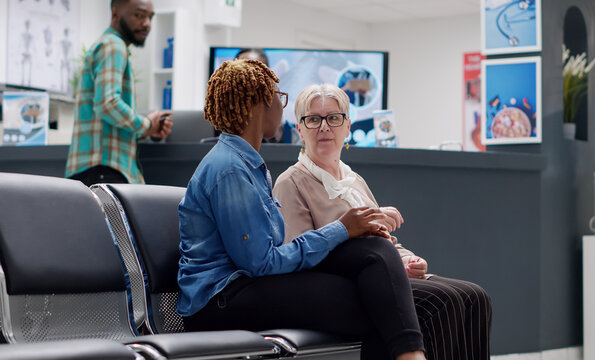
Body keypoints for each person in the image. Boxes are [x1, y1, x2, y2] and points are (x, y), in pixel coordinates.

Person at [176, 59, 427, 360]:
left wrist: (346, 230)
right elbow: (261, 263)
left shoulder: (245, 163)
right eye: (279, 98)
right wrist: (341, 229)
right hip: (220, 301)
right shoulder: (230, 169)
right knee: (369, 302)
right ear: (258, 105)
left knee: (375, 290)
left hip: (243, 287)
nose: (283, 107)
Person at [273, 83, 493, 360]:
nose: (324, 127)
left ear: (347, 127)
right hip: (351, 285)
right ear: (300, 129)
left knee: (475, 297)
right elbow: (298, 254)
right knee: (443, 301)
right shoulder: (291, 182)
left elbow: (383, 241)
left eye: (333, 118)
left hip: (385, 273)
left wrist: (409, 260)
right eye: (313, 119)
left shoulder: (353, 179)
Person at [65, 0, 173, 186]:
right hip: (104, 170)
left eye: (150, 17)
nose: (146, 23)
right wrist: (146, 124)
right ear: (115, 14)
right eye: (139, 15)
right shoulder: (114, 46)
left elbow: (105, 114)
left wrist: (149, 128)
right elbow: (108, 104)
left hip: (97, 169)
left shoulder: (107, 45)